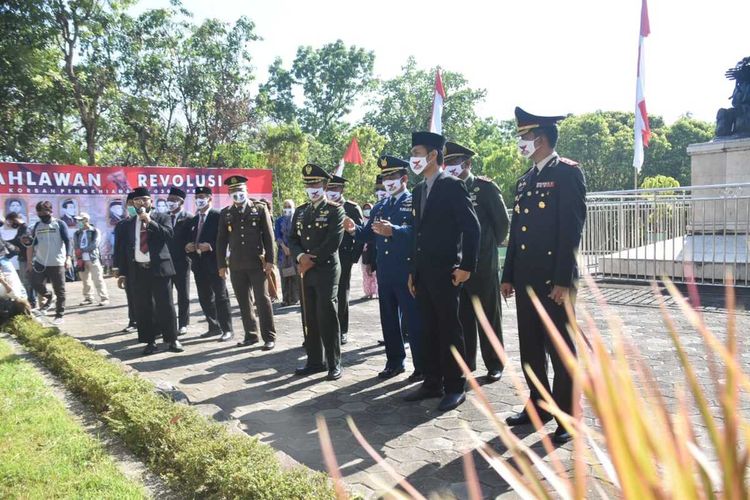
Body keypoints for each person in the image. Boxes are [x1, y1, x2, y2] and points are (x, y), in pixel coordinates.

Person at [501, 107, 587, 444]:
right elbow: (517, 234)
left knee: (561, 348)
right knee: (531, 348)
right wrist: (507, 275)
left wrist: (563, 280)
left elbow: (571, 230)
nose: (520, 141)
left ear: (541, 138)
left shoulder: (567, 173)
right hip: (525, 280)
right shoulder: (526, 179)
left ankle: (568, 415)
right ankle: (538, 405)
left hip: (555, 281)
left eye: (524, 136)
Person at [404, 132, 480, 412]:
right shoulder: (418, 190)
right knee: (426, 329)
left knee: (450, 329)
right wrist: (413, 270)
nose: (413, 158)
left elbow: (472, 228)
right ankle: (432, 381)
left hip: (448, 271)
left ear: (433, 155)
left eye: (417, 152)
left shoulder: (452, 186)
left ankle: (455, 385)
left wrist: (466, 267)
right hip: (423, 273)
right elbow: (417, 235)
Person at [345, 155, 424, 381]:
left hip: (407, 271)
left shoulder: (413, 202)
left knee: (413, 320)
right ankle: (395, 361)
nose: (389, 181)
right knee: (388, 320)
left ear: (404, 178)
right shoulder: (380, 205)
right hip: (386, 272)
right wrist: (353, 230)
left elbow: (419, 234)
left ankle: (421, 366)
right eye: (385, 177)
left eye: (393, 176)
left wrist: (395, 230)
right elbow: (368, 233)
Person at [444, 141, 509, 383]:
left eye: (454, 162)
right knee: (462, 318)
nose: (449, 166)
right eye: (446, 162)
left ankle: (494, 362)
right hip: (456, 266)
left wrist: (487, 248)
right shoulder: (446, 189)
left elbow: (502, 225)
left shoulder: (484, 188)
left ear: (467, 164)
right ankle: (466, 363)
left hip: (482, 266)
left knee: (488, 316)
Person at [289, 163, 345, 380]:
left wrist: (311, 260)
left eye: (316, 183)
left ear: (324, 185)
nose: (312, 187)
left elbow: (333, 241)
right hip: (306, 269)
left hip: (326, 269)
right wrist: (300, 256)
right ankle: (315, 361)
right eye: (309, 184)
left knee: (326, 314)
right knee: (309, 315)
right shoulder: (301, 211)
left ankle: (334, 363)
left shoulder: (334, 209)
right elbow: (293, 239)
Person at [116, 187, 183, 355]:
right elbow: (123, 249)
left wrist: (149, 222)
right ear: (133, 203)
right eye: (138, 200)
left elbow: (168, 235)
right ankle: (149, 341)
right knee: (143, 307)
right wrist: (122, 272)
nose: (141, 203)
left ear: (151, 202)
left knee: (165, 305)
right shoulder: (128, 224)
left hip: (159, 268)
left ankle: (172, 339)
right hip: (138, 270)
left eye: (145, 199)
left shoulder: (162, 217)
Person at [216, 175, 277, 350]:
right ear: (229, 193)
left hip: (257, 263)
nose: (237, 194)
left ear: (246, 191)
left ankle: (269, 336)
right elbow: (221, 241)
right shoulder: (226, 213)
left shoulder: (259, 208)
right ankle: (251, 335)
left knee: (262, 300)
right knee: (243, 301)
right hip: (236, 264)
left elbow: (268, 236)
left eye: (240, 190)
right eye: (233, 191)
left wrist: (270, 261)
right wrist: (221, 265)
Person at [185, 186, 233, 341]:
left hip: (215, 262)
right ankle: (213, 326)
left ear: (210, 198)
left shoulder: (217, 216)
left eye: (203, 196)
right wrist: (188, 246)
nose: (200, 199)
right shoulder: (194, 219)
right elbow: (189, 239)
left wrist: (210, 245)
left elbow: (225, 238)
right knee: (204, 297)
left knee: (221, 296)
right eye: (197, 196)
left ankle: (227, 329)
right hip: (199, 264)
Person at [326, 174, 363, 345]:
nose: (331, 191)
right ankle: (326, 330)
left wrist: (353, 257)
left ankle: (342, 330)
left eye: (335, 188)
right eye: (329, 188)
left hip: (344, 257)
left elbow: (360, 234)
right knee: (326, 295)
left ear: (342, 189)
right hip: (325, 258)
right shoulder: (323, 207)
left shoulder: (351, 208)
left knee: (341, 294)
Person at [27, 201, 73, 325]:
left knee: (60, 289)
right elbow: (31, 244)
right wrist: (29, 262)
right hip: (40, 262)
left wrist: (68, 258)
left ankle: (59, 314)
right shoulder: (37, 225)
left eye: (44, 211)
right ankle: (49, 296)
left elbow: (68, 242)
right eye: (39, 211)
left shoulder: (59, 223)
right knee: (34, 282)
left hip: (57, 262)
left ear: (50, 211)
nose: (42, 214)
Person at [165, 187, 193, 335]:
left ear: (181, 201)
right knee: (166, 295)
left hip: (182, 261)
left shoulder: (188, 217)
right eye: (169, 200)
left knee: (183, 294)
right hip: (166, 262)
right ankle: (169, 323)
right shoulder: (164, 217)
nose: (171, 202)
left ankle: (183, 323)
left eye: (174, 200)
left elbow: (192, 238)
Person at [113, 193, 138, 332]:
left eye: (135, 202)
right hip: (129, 266)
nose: (133, 206)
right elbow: (118, 248)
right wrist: (118, 268)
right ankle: (133, 321)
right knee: (131, 295)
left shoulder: (150, 221)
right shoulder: (122, 225)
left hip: (146, 265)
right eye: (130, 203)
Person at [73, 212, 109, 306]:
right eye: (77, 220)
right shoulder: (77, 233)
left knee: (98, 279)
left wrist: (82, 250)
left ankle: (104, 298)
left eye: (80, 220)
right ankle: (88, 298)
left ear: (86, 220)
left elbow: (94, 245)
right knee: (85, 281)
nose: (78, 222)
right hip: (82, 260)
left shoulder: (94, 231)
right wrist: (78, 254)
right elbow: (76, 245)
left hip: (93, 258)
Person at [3, 213, 35, 307]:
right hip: (22, 258)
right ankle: (30, 301)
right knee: (25, 281)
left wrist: (29, 262)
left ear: (15, 219)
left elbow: (29, 247)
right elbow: (16, 242)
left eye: (10, 221)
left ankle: (31, 302)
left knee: (27, 282)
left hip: (26, 259)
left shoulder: (25, 230)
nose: (10, 224)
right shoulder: (21, 229)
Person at [274, 199, 300, 307]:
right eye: (285, 206)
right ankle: (285, 299)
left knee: (295, 275)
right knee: (284, 276)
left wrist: (292, 248)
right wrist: (284, 247)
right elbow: (277, 235)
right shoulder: (279, 220)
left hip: (295, 251)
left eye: (289, 206)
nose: (287, 208)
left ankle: (295, 298)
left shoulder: (297, 220)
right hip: (283, 253)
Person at [360, 202, 378, 299]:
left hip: (373, 249)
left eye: (369, 208)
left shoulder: (374, 220)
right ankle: (368, 292)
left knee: (374, 273)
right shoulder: (362, 222)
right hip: (364, 252)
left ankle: (375, 292)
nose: (367, 210)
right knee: (366, 273)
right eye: (365, 208)